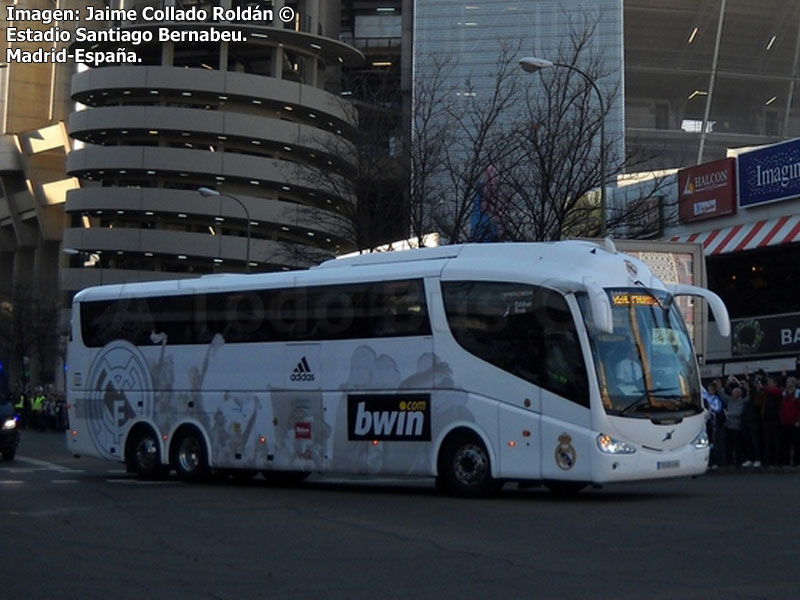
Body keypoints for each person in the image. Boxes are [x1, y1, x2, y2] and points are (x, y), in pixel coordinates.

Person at [703, 380, 726, 468]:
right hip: (709, 424)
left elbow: (717, 409)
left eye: (711, 390)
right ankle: (710, 461)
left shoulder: (717, 399)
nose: (709, 392)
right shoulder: (706, 399)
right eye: (708, 390)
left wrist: (710, 406)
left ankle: (717, 462)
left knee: (717, 443)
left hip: (716, 424)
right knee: (710, 443)